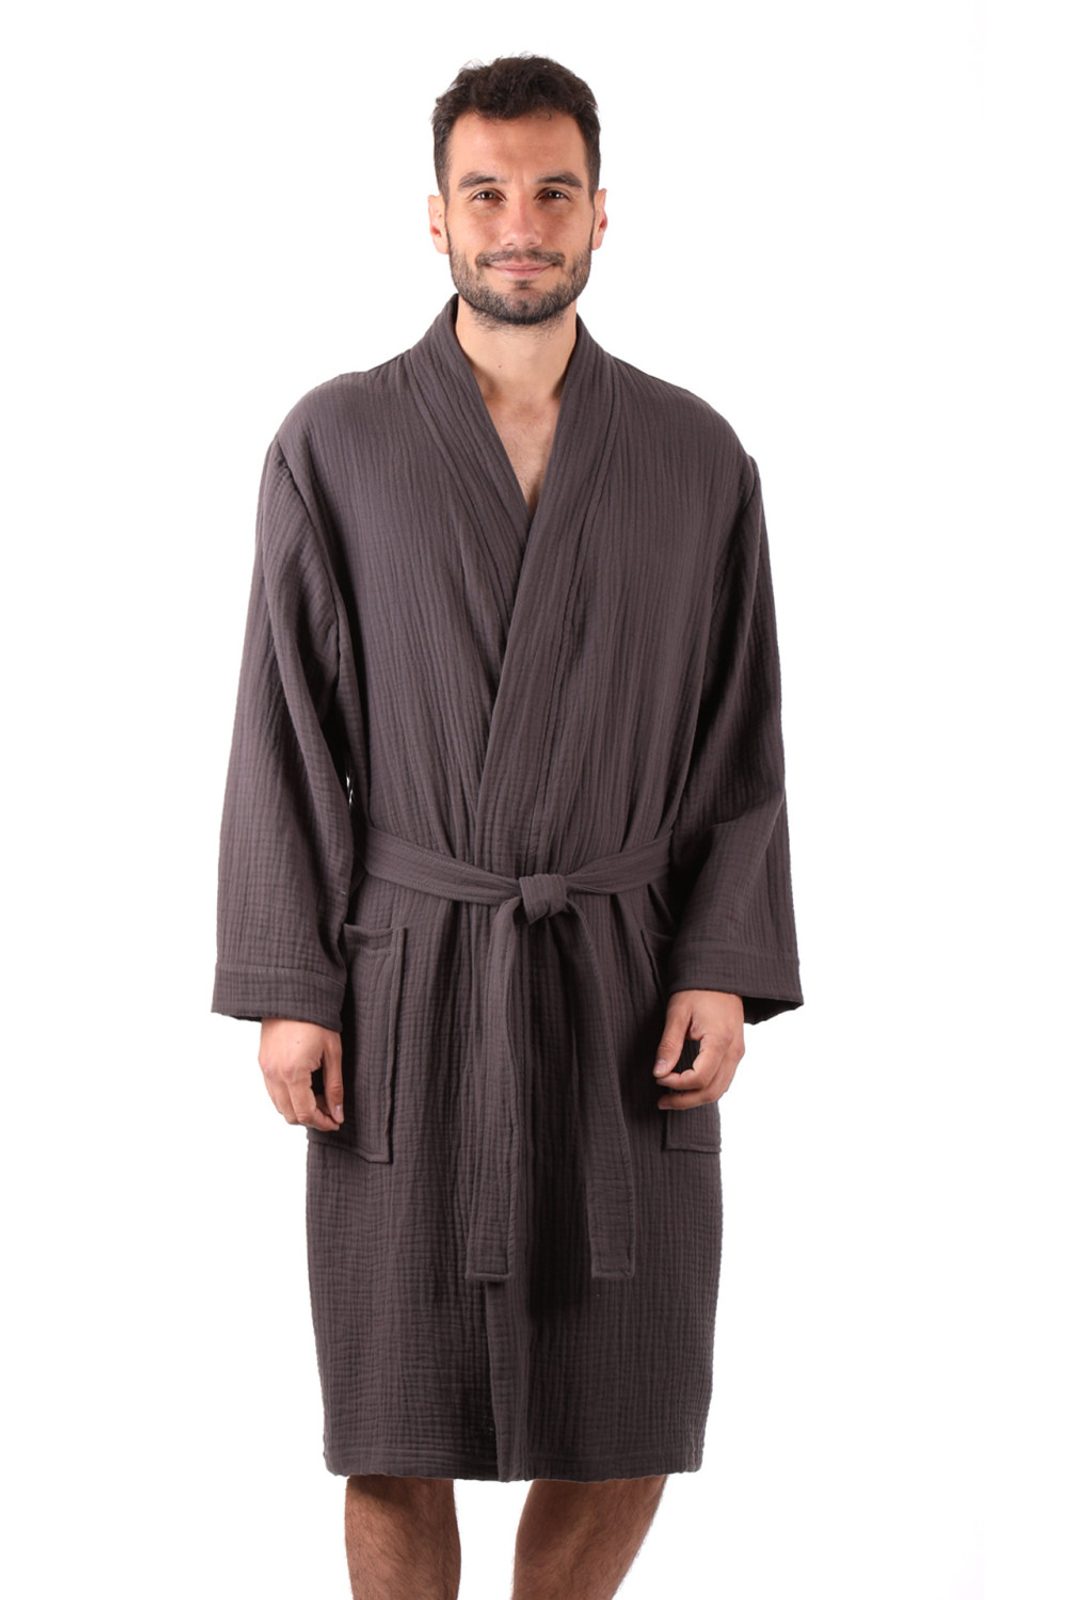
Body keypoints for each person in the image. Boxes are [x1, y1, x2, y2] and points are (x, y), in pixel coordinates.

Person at [211, 52, 804, 1600]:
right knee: (393, 1423)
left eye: (552, 192)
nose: (520, 224)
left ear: (604, 212)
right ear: (437, 217)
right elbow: (282, 729)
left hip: (622, 984)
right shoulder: (336, 442)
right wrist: (290, 988)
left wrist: (719, 962)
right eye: (487, 193)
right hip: (408, 989)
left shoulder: (695, 456)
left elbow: (739, 740)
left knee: (626, 1418)